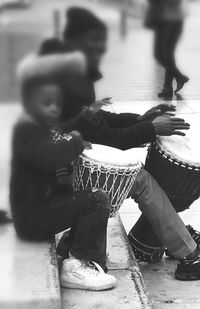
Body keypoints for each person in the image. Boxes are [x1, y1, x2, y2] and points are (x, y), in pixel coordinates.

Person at [17, 8, 200, 280]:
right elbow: (105, 136)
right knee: (140, 179)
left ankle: (176, 245)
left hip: (65, 160)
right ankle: (188, 253)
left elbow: (100, 118)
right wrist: (149, 128)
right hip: (61, 171)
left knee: (138, 179)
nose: (103, 47)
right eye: (96, 40)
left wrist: (144, 118)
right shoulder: (66, 80)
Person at [10, 71, 118, 291]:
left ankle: (72, 248)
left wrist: (87, 113)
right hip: (31, 219)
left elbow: (65, 128)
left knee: (84, 192)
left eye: (56, 103)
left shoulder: (40, 125)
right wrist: (76, 141)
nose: (53, 108)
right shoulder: (25, 130)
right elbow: (52, 156)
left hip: (39, 211)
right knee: (96, 199)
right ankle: (78, 267)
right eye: (46, 103)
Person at [145, 0, 189, 98]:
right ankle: (179, 77)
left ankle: (168, 87)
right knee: (158, 55)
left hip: (173, 20)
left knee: (168, 54)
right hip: (160, 21)